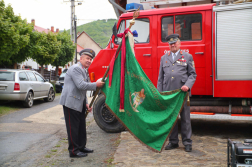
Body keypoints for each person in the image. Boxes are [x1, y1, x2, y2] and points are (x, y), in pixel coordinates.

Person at [59, 49, 105, 158]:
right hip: (71, 102)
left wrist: (86, 103)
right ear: (81, 58)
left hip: (79, 102)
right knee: (73, 128)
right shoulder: (76, 68)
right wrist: (96, 84)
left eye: (90, 59)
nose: (89, 61)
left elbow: (82, 91)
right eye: (87, 58)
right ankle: (74, 151)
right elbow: (81, 85)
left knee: (81, 127)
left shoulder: (83, 70)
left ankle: (81, 146)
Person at [157, 34, 197, 152]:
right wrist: (160, 93)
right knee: (171, 119)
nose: (173, 45)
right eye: (170, 44)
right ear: (168, 45)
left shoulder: (187, 56)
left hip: (182, 94)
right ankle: (173, 141)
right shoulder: (164, 58)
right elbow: (160, 77)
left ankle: (187, 142)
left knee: (185, 119)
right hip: (169, 95)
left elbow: (192, 74)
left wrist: (187, 86)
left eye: (174, 43)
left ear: (179, 44)